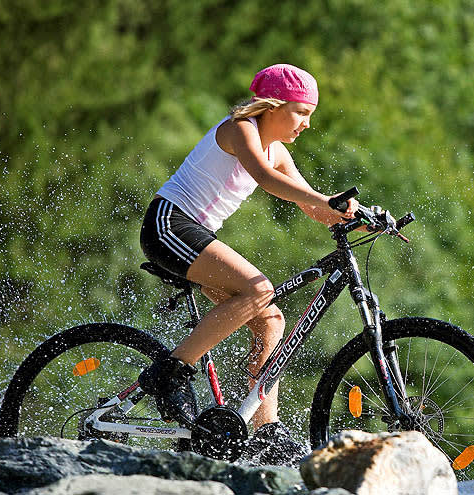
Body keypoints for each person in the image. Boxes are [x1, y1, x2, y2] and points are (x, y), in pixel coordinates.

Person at [137, 64, 359, 466]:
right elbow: (265, 178)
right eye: (301, 112)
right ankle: (171, 372)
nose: (307, 124)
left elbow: (311, 205)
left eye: (310, 115)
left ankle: (265, 431)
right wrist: (324, 201)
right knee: (259, 289)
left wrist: (355, 214)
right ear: (272, 106)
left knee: (270, 319)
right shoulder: (241, 128)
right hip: (168, 225)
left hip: (195, 234)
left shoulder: (279, 152)